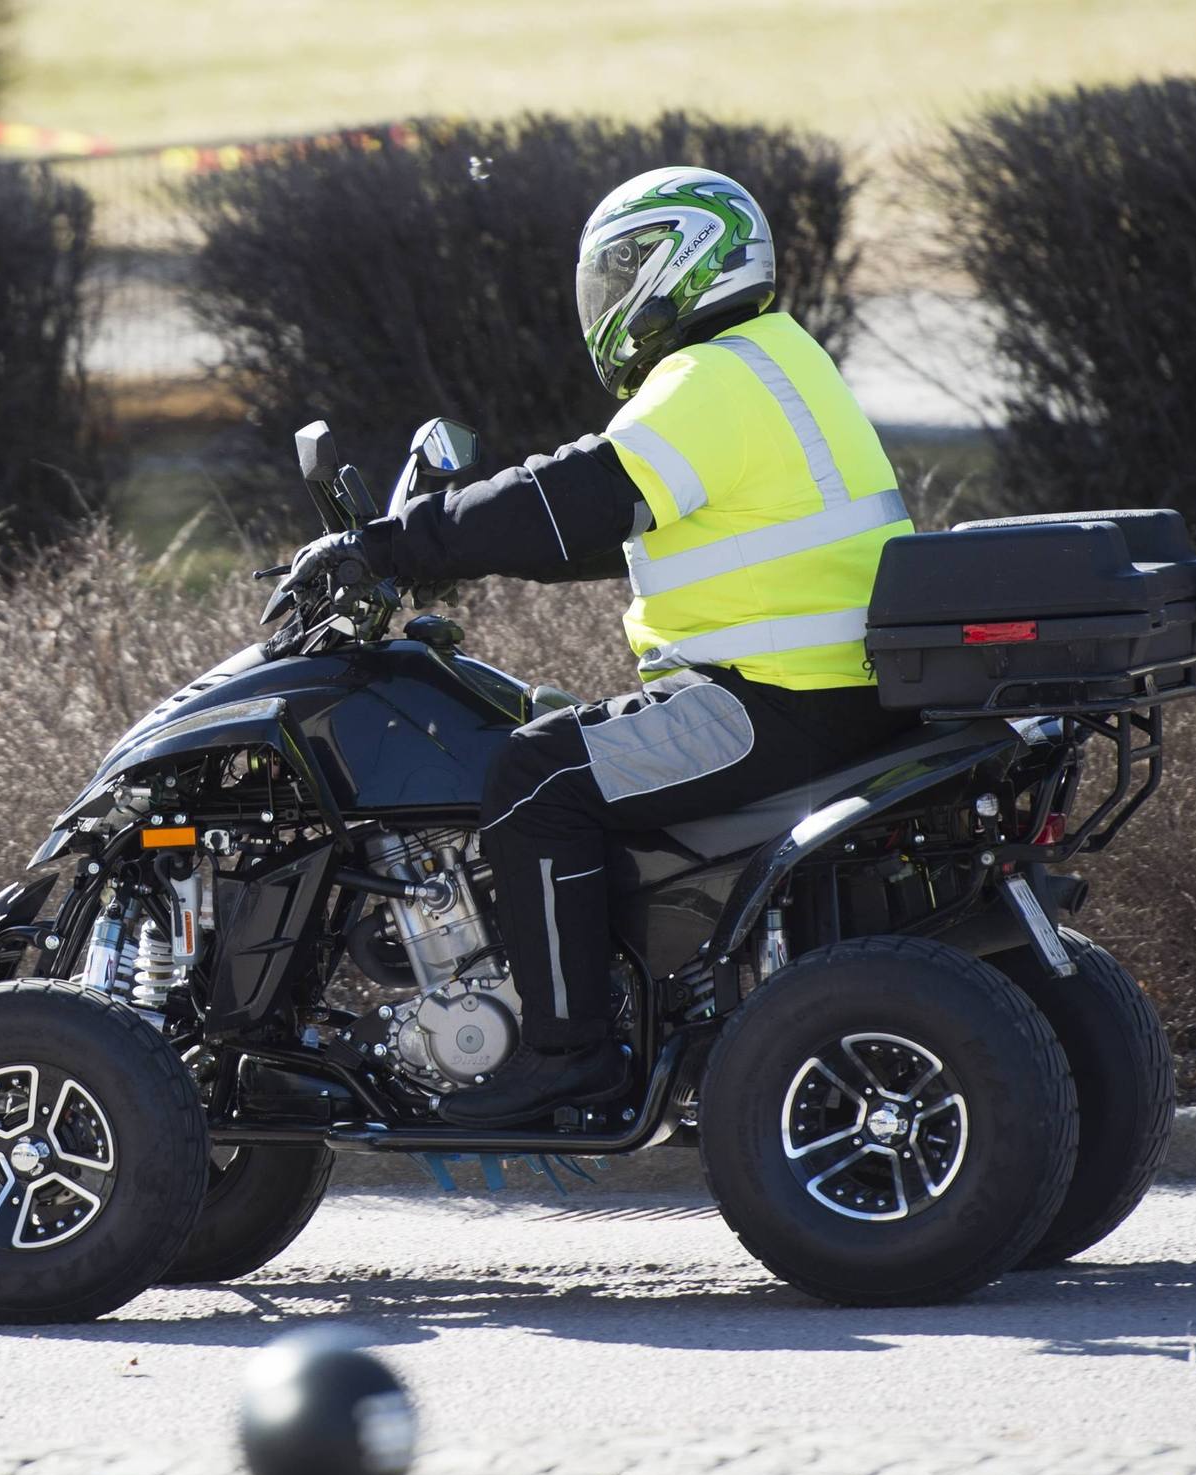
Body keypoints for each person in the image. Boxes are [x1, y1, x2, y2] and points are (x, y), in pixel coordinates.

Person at [288, 166, 917, 1127]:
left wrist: (392, 544)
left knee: (538, 774)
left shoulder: (711, 377)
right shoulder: (778, 356)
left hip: (776, 701)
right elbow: (617, 529)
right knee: (559, 741)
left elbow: (575, 493)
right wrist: (449, 551)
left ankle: (566, 1053)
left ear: (680, 263)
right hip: (833, 692)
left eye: (622, 269)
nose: (609, 297)